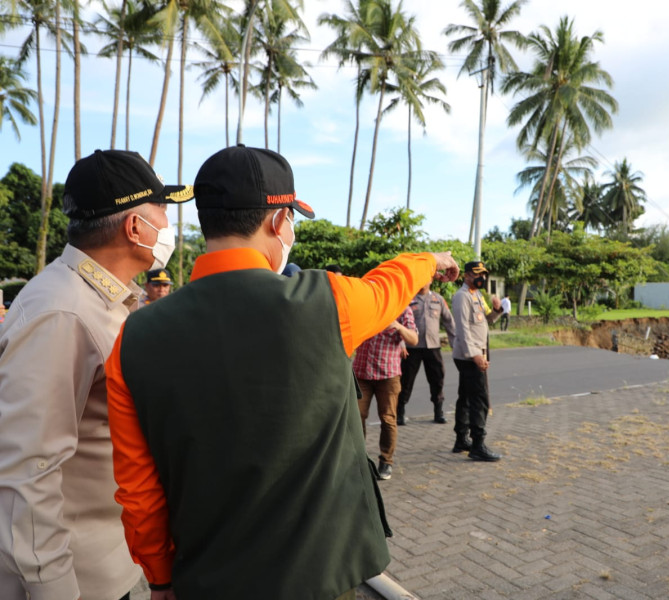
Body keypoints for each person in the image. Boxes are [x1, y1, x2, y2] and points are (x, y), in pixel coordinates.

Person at [104, 144, 459, 600]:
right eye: (291, 219)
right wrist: (431, 259)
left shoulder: (134, 337)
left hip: (207, 579)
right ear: (278, 222)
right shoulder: (329, 301)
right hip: (321, 578)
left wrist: (160, 577)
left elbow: (139, 488)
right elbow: (388, 284)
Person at [0, 149, 193, 600]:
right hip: (76, 579)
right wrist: (55, 588)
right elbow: (26, 469)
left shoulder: (97, 300)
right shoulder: (63, 311)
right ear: (134, 227)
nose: (167, 224)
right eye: (162, 209)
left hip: (107, 562)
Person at [353, 306, 418, 481]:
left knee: (388, 418)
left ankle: (386, 461)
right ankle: (358, 460)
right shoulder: (366, 304)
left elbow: (414, 339)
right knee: (356, 417)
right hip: (361, 372)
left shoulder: (403, 309)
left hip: (387, 374)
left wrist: (398, 327)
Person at [451, 260, 503, 462]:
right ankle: (478, 445)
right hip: (469, 356)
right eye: (477, 274)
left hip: (475, 354)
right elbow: (462, 330)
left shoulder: (477, 295)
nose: (481, 278)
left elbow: (486, 320)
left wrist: (497, 311)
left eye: (483, 274)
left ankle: (461, 439)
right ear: (466, 276)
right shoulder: (461, 297)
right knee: (479, 399)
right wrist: (475, 356)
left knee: (465, 396)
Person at [397, 282, 456, 425]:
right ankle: (400, 413)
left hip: (433, 347)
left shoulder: (438, 299)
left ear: (430, 281)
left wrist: (456, 344)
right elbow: (398, 323)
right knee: (406, 381)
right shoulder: (407, 299)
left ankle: (438, 412)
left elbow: (449, 322)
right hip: (412, 348)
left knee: (437, 379)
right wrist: (401, 344)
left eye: (426, 279)